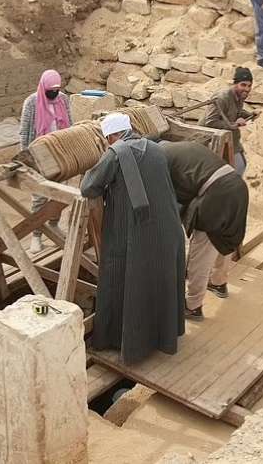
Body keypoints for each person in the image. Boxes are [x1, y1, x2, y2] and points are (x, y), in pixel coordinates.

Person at [80, 113, 186, 364]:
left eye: (107, 140)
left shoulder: (116, 153)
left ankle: (125, 344)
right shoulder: (156, 148)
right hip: (168, 230)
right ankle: (162, 339)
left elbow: (88, 187)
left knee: (129, 283)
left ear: (112, 136)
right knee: (159, 282)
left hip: (138, 233)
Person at [159, 141, 249, 321]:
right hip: (237, 186)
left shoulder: (159, 159)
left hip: (217, 193)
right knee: (223, 238)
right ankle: (218, 283)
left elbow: (168, 197)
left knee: (201, 251)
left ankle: (193, 306)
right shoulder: (182, 148)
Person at [19, 70, 74, 254]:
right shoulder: (32, 102)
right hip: (38, 154)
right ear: (44, 87)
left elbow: (70, 125)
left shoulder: (63, 100)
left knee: (58, 192)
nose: (54, 92)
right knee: (39, 195)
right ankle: (36, 235)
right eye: (51, 89)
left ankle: (53, 224)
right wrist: (26, 158)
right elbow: (25, 131)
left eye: (57, 89)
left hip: (59, 153)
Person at [198, 66, 256, 176]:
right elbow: (210, 122)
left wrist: (250, 115)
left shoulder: (239, 96)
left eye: (249, 86)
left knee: (239, 167)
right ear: (235, 84)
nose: (247, 89)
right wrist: (234, 124)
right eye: (243, 85)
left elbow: (236, 111)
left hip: (229, 139)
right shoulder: (222, 98)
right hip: (210, 140)